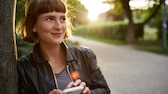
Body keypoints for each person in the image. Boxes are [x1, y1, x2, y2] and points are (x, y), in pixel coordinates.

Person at [17, 0, 110, 94]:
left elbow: (105, 90)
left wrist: (88, 93)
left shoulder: (85, 55)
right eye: (50, 19)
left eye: (62, 19)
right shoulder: (24, 67)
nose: (59, 26)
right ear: (34, 25)